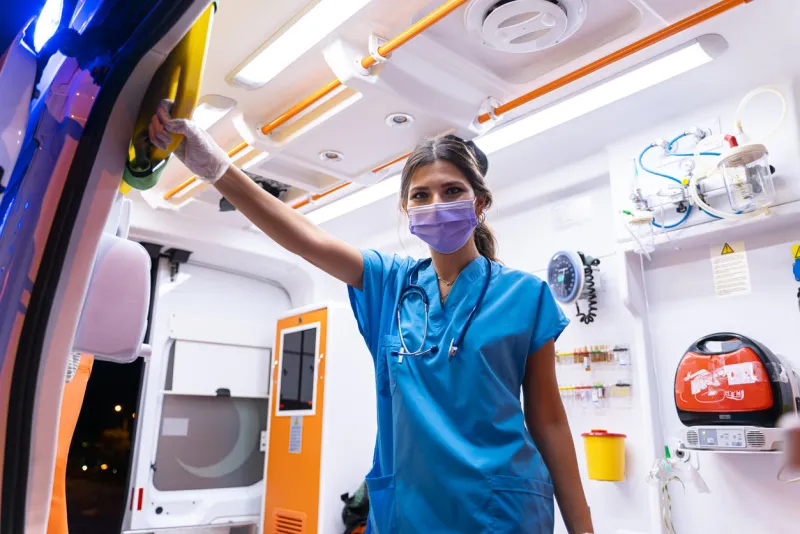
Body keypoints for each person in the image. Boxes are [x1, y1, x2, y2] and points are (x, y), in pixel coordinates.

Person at [149, 101, 594, 533]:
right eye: (421, 195)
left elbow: (549, 422)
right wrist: (218, 169)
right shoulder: (391, 284)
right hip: (407, 512)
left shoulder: (525, 295)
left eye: (452, 190)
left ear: (479, 204)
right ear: (407, 210)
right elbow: (307, 240)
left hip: (499, 513)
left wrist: (584, 529)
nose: (437, 203)